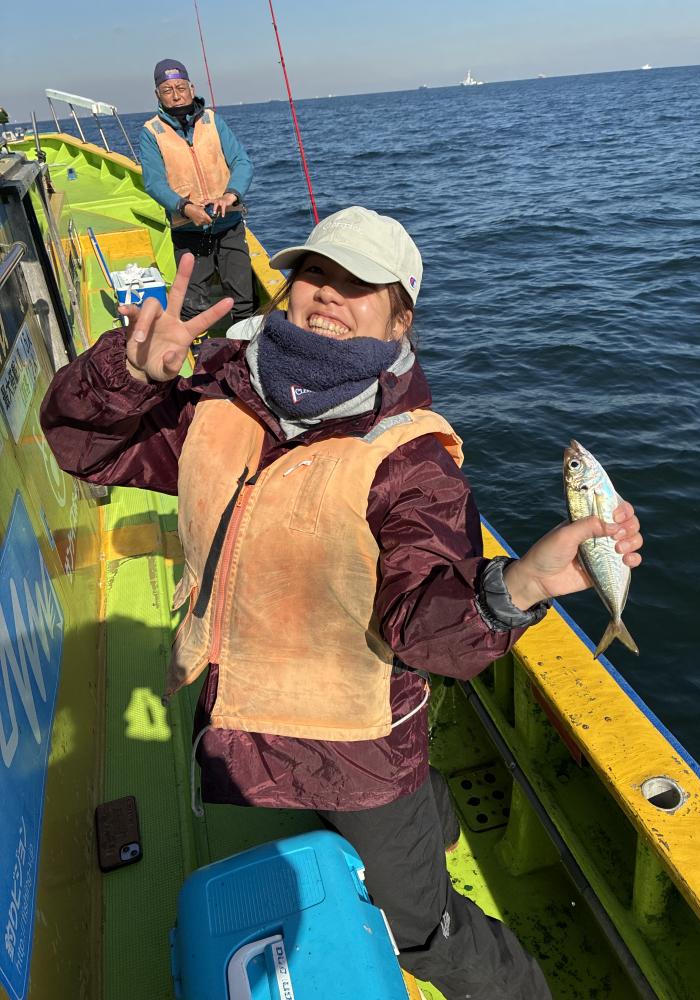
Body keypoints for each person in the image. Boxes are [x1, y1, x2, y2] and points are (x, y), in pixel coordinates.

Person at [40, 206, 643, 1000]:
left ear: (401, 320)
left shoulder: (411, 461)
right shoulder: (218, 394)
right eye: (315, 272)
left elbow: (426, 631)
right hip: (245, 717)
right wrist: (126, 372)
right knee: (393, 829)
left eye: (360, 284)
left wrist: (521, 585)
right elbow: (87, 446)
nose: (328, 291)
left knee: (422, 931)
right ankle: (435, 823)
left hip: (359, 753)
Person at [139, 59, 257, 325]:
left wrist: (230, 195)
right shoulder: (151, 132)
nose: (176, 95)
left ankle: (243, 343)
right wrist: (186, 208)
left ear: (191, 88)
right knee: (192, 305)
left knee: (243, 300)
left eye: (181, 87)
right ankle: (196, 345)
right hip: (188, 230)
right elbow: (154, 182)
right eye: (167, 90)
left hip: (228, 223)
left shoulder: (212, 120)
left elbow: (242, 161)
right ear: (158, 94)